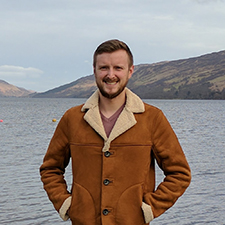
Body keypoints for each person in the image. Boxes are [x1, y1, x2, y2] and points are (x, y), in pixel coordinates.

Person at [40, 39, 191, 225]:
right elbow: (50, 169)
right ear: (94, 70)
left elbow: (179, 173)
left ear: (130, 71)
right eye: (104, 68)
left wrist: (150, 208)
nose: (111, 75)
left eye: (118, 68)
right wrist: (67, 204)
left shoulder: (153, 118)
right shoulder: (72, 118)